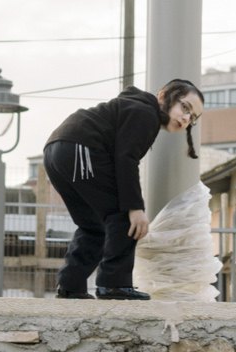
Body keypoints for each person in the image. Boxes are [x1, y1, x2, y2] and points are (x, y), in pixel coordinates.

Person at [42, 80, 203, 300]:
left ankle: (70, 286)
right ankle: (114, 284)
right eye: (185, 107)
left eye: (192, 117)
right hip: (80, 147)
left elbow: (122, 157)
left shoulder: (135, 108)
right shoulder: (146, 113)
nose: (186, 118)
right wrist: (135, 208)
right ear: (164, 96)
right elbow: (126, 159)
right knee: (125, 217)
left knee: (93, 225)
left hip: (57, 151)